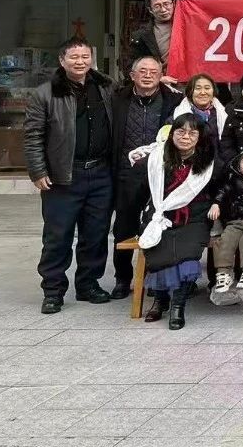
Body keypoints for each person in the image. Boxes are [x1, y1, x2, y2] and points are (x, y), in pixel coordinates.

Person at [26, 38, 116, 315]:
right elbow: (33, 136)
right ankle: (53, 291)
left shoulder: (106, 87)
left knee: (96, 234)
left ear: (92, 59)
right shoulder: (44, 94)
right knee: (58, 236)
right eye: (74, 57)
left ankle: (88, 284)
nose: (80, 61)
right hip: (63, 176)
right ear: (62, 60)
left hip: (101, 173)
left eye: (85, 56)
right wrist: (38, 170)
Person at [133, 113, 218, 330]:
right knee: (158, 250)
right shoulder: (155, 159)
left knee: (187, 256)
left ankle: (178, 306)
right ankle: (160, 300)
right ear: (172, 134)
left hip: (194, 218)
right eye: (180, 132)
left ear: (199, 137)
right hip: (160, 215)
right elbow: (140, 192)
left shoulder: (210, 161)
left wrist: (217, 203)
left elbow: (222, 188)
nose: (186, 137)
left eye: (192, 133)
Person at [110, 54, 183, 299]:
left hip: (161, 174)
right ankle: (122, 279)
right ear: (132, 76)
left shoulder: (174, 100)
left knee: (158, 224)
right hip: (127, 173)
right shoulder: (118, 99)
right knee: (124, 227)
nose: (148, 75)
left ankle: (154, 277)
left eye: (154, 71)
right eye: (143, 71)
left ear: (161, 75)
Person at [209, 148, 243, 297]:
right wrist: (216, 204)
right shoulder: (233, 180)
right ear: (238, 165)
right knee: (225, 241)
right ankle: (223, 272)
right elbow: (222, 192)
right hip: (235, 220)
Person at [129, 0, 181, 87]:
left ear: (174, 4)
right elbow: (131, 65)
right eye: (157, 6)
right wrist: (158, 79)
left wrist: (188, 2)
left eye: (166, 4)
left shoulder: (186, 25)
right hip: (154, 87)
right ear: (150, 10)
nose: (163, 9)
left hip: (184, 83)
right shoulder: (140, 35)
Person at [175, 73, 226, 157]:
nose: (203, 92)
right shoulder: (177, 115)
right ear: (190, 92)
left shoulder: (224, 115)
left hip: (218, 162)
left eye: (207, 88)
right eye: (198, 88)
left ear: (213, 91)